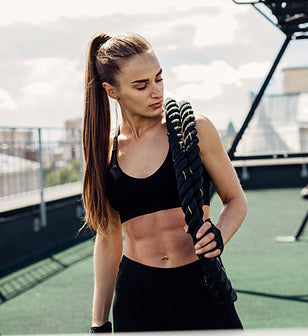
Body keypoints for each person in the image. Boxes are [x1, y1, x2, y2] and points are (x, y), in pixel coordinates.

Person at [82, 32, 247, 332]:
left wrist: (220, 235)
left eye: (159, 79)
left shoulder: (194, 129)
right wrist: (99, 322)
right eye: (141, 85)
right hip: (137, 296)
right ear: (111, 90)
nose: (156, 91)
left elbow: (236, 200)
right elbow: (108, 238)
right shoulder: (103, 152)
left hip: (202, 286)